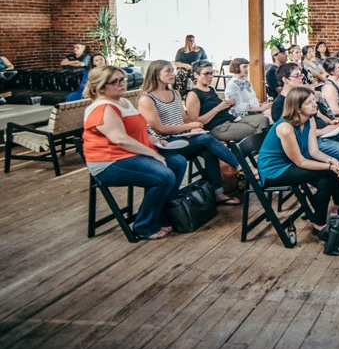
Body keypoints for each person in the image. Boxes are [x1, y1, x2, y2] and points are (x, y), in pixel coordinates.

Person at [81, 65, 187, 240]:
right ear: (100, 87)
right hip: (110, 162)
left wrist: (153, 140)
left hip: (129, 154)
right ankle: (144, 226)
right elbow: (120, 139)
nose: (122, 84)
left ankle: (162, 214)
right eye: (114, 81)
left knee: (178, 162)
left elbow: (135, 131)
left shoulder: (123, 101)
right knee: (164, 176)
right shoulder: (103, 107)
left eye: (122, 79)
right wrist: (153, 153)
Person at [137, 60, 241, 205]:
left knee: (209, 149)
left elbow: (184, 119)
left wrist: (192, 128)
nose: (173, 73)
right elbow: (158, 129)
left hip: (181, 137)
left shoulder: (174, 93)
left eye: (173, 70)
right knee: (206, 139)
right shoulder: (146, 99)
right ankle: (243, 168)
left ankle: (218, 193)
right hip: (164, 142)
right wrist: (190, 126)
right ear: (155, 74)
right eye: (168, 71)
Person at [256, 86, 339, 241]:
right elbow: (300, 161)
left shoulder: (310, 120)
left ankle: (326, 218)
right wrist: (329, 167)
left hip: (292, 163)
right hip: (275, 170)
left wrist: (332, 161)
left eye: (314, 100)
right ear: (297, 108)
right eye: (309, 102)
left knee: (326, 179)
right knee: (328, 173)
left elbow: (314, 152)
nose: (315, 105)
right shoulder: (285, 127)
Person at [271, 62, 339, 162]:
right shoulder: (279, 105)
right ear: (285, 79)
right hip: (311, 140)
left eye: (301, 74)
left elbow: (317, 113)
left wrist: (330, 122)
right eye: (296, 75)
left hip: (325, 131)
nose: (301, 78)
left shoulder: (303, 95)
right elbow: (296, 134)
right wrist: (322, 131)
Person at [185, 60, 270, 142]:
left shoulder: (210, 89)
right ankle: (259, 150)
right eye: (206, 73)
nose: (210, 76)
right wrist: (218, 108)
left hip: (229, 119)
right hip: (218, 127)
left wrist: (228, 105)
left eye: (211, 73)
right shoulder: (193, 94)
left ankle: (259, 148)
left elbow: (219, 108)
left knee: (263, 119)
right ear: (196, 75)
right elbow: (196, 122)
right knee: (253, 130)